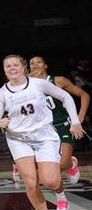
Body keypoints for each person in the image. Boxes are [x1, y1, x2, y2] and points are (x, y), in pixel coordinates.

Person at [0, 55, 83, 210]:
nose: (12, 68)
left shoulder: (38, 84)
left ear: (23, 67)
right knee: (31, 182)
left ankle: (69, 165)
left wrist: (75, 122)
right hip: (18, 139)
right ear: (4, 70)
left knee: (50, 181)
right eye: (8, 66)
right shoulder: (2, 93)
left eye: (15, 64)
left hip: (44, 136)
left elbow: (66, 97)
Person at [29, 56, 89, 193]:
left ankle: (71, 164)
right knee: (50, 168)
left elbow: (84, 95)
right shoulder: (28, 85)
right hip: (44, 129)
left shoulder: (58, 81)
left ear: (45, 65)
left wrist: (80, 116)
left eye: (38, 62)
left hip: (63, 125)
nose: (35, 64)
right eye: (32, 63)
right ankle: (61, 198)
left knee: (63, 164)